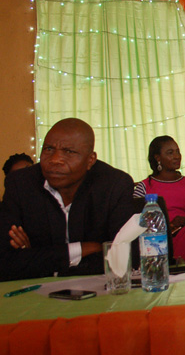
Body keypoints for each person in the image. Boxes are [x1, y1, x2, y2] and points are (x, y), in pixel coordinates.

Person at [0, 118, 134, 281]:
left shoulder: (114, 185)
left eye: (69, 152)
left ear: (90, 160)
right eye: (49, 149)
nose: (55, 159)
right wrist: (79, 250)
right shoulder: (20, 184)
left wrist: (37, 259)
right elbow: (5, 263)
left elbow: (123, 259)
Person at [134, 136, 185, 265]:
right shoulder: (144, 186)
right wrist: (168, 226)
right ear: (158, 158)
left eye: (178, 151)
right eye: (170, 153)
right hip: (157, 239)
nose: (177, 156)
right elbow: (135, 220)